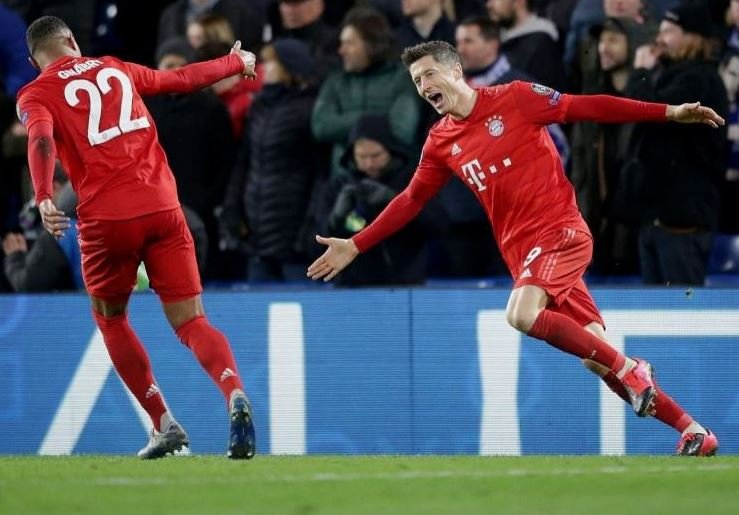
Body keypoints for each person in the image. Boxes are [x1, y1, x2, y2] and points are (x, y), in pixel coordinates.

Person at [308, 40, 723, 456]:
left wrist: (668, 112)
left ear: (455, 71)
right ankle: (692, 430)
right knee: (596, 357)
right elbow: (413, 199)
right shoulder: (440, 142)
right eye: (417, 80)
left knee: (521, 315)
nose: (423, 85)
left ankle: (632, 369)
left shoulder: (517, 99)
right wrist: (357, 244)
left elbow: (588, 106)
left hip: (561, 232)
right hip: (524, 255)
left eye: (429, 74)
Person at [16, 16, 257, 460]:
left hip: (107, 221)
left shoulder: (35, 93)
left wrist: (46, 195)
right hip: (165, 208)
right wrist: (234, 61)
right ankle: (234, 392)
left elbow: (40, 138)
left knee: (111, 319)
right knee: (191, 321)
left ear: (35, 61)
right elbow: (181, 79)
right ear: (72, 40)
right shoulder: (115, 67)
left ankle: (164, 425)